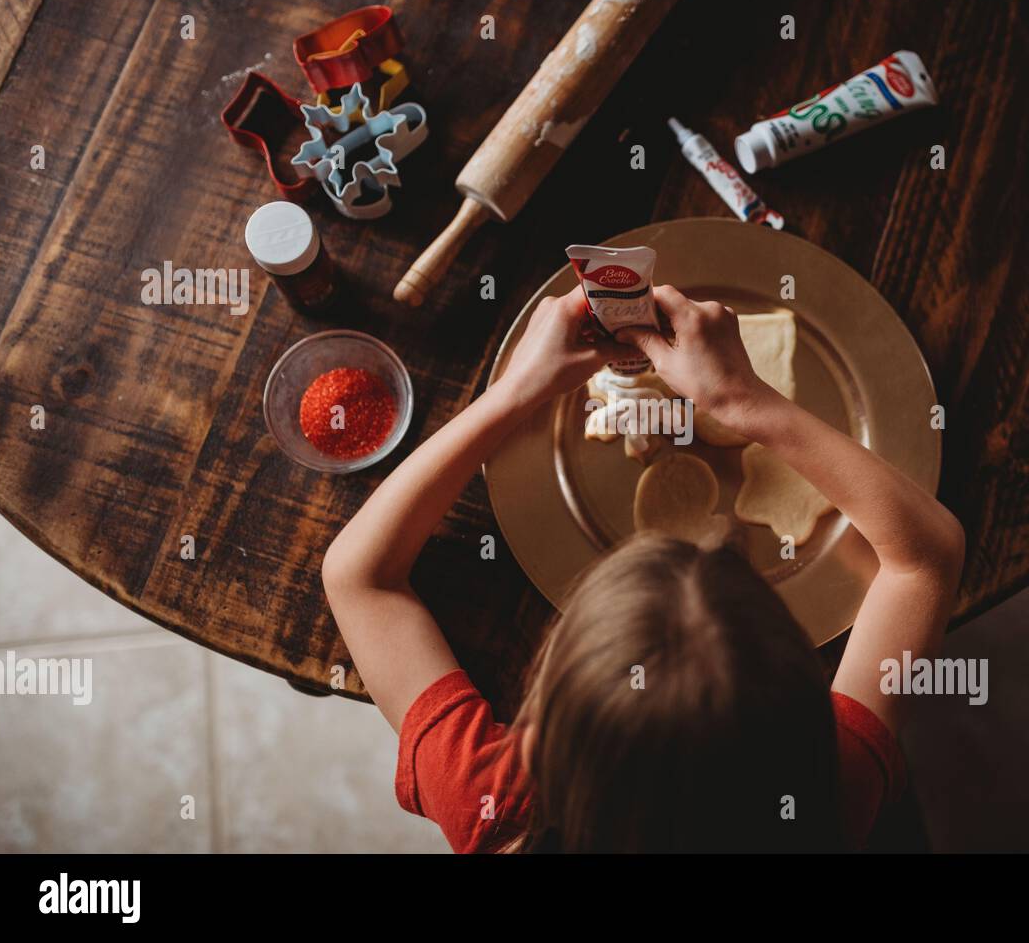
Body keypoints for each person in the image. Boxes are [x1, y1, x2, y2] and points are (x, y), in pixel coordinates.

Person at [322, 284, 965, 852]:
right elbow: (924, 559)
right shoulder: (831, 800)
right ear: (809, 719)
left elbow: (358, 575)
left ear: (542, 724)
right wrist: (745, 400)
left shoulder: (497, 812)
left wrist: (513, 393)